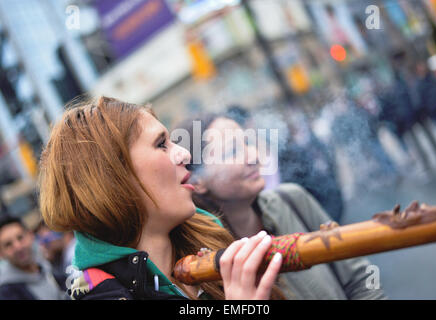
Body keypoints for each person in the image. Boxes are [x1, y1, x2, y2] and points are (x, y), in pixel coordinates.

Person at [38, 96, 284, 300]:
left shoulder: (207, 232)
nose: (184, 153)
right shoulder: (100, 294)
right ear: (113, 178)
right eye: (161, 145)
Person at [174, 113, 388, 300]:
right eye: (232, 152)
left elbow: (360, 276)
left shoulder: (292, 199)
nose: (254, 157)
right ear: (198, 181)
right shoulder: (202, 263)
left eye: (247, 143)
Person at [0, 215, 67, 300]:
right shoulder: (7, 293)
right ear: (1, 253)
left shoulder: (48, 269)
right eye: (8, 244)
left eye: (20, 238)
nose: (18, 247)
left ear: (30, 235)